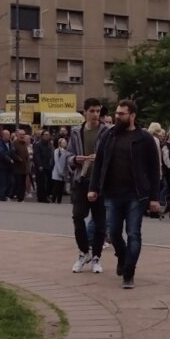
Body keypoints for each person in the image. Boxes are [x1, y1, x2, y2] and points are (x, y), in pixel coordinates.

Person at [88, 99, 160, 289]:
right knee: (113, 233)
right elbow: (100, 163)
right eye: (117, 113)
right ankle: (122, 256)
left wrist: (154, 198)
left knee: (133, 233)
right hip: (112, 193)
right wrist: (93, 188)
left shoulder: (145, 138)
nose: (117, 116)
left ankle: (129, 272)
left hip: (136, 195)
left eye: (122, 114)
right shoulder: (109, 136)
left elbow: (154, 170)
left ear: (132, 116)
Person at [67, 98, 110, 274]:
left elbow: (111, 155)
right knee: (78, 217)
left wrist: (100, 159)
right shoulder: (76, 131)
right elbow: (68, 154)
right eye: (92, 111)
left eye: (98, 111)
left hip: (99, 182)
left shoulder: (106, 131)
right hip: (81, 180)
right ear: (85, 112)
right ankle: (84, 252)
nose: (95, 115)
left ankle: (97, 257)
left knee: (100, 222)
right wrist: (74, 159)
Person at [51, 137, 71, 204]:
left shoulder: (67, 152)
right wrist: (60, 172)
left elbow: (68, 163)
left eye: (65, 142)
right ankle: (53, 200)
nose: (64, 144)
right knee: (56, 187)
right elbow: (56, 161)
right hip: (57, 172)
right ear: (60, 143)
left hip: (64, 173)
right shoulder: (56, 151)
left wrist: (68, 172)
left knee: (61, 188)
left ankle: (59, 201)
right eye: (63, 142)